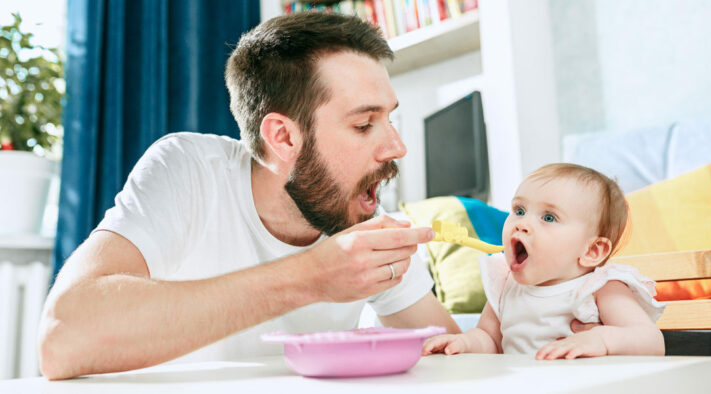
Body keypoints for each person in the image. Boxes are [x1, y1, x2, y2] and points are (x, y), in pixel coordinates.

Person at [37, 12, 461, 380]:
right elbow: (62, 338)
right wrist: (312, 277)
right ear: (283, 136)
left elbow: (452, 357)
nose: (397, 146)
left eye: (390, 119)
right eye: (364, 124)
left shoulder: (355, 215)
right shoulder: (188, 170)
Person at [422, 163, 665, 359]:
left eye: (549, 217)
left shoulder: (601, 287)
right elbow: (489, 339)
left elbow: (650, 341)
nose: (522, 223)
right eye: (519, 210)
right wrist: (463, 342)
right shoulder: (504, 283)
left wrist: (601, 339)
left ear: (592, 250)